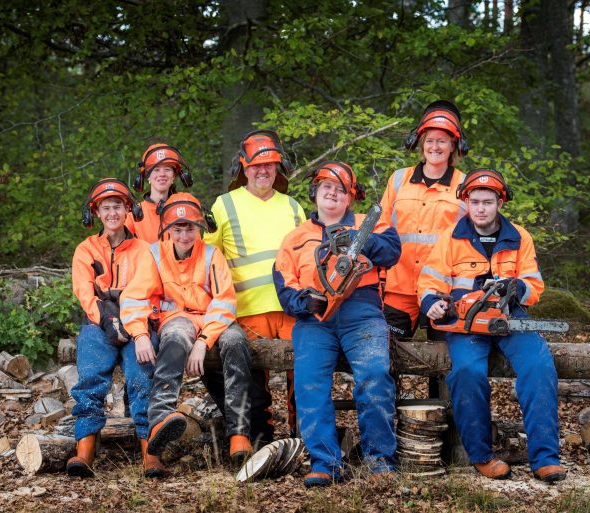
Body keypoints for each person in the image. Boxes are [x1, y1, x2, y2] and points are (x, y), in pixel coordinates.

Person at [418, 169, 566, 483]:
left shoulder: (519, 236)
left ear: (499, 202)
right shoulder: (450, 237)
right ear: (466, 203)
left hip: (509, 317)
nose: (481, 208)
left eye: (488, 201)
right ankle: (482, 456)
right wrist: (432, 302)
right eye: (475, 201)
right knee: (467, 373)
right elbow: (429, 281)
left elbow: (534, 284)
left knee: (539, 366)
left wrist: (517, 288)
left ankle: (546, 457)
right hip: (466, 320)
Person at [273, 162, 401, 487]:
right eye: (326, 186)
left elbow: (392, 251)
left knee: (374, 375)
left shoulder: (368, 223)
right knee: (309, 383)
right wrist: (302, 303)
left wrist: (361, 240)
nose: (332, 193)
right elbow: (283, 285)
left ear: (350, 196)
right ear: (315, 192)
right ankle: (325, 462)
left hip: (362, 310)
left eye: (341, 188)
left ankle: (379, 460)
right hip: (315, 318)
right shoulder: (296, 237)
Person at [120, 192, 253, 473]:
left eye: (190, 228)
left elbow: (225, 300)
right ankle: (160, 419)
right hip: (176, 318)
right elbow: (134, 297)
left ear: (199, 229)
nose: (184, 235)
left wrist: (204, 341)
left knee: (236, 341)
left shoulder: (211, 254)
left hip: (214, 321)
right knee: (175, 338)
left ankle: (239, 433)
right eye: (178, 229)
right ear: (168, 230)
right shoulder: (154, 253)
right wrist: (140, 333)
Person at [204, 130, 303, 444]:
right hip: (246, 309)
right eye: (256, 166)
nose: (263, 171)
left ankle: (305, 441)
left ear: (278, 168)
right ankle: (262, 443)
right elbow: (206, 259)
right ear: (243, 169)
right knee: (254, 385)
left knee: (302, 380)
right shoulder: (224, 205)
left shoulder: (292, 207)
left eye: (270, 165)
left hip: (292, 308)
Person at [67, 178, 158, 478]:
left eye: (117, 206)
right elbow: (84, 292)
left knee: (141, 378)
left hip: (137, 324)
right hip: (98, 323)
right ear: (96, 212)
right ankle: (85, 451)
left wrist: (128, 321)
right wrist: (106, 319)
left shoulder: (143, 249)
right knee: (90, 378)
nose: (112, 213)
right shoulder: (85, 249)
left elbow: (144, 289)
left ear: (128, 209)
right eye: (106, 208)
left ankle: (150, 453)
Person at [378, 100, 469, 341]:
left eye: (442, 141)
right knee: (388, 356)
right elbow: (381, 229)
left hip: (445, 289)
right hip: (399, 286)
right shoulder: (399, 179)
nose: (435, 147)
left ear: (454, 146)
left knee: (443, 363)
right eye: (430, 140)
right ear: (420, 144)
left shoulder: (465, 186)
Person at [126, 143, 194, 242]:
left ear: (173, 176)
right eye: (156, 170)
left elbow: (196, 251)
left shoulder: (185, 211)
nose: (162, 174)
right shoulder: (134, 216)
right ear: (147, 177)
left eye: (167, 169)